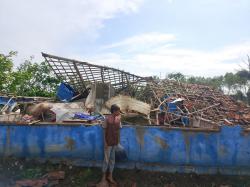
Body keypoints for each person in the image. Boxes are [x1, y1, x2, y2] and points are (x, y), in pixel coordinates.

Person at [99, 104, 122, 185]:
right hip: (108, 143)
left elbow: (119, 130)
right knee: (106, 160)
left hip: (114, 143)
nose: (119, 112)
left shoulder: (118, 119)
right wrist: (105, 142)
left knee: (112, 160)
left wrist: (118, 142)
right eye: (118, 110)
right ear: (114, 111)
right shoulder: (107, 119)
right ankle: (103, 177)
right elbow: (104, 131)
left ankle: (110, 176)